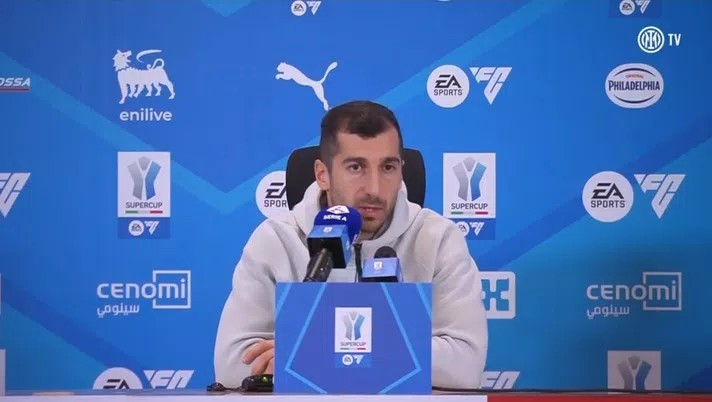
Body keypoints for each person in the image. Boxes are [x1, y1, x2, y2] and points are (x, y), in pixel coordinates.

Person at [214, 100, 488, 389]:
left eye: (388, 167)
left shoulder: (438, 238)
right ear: (322, 174)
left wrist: (314, 351)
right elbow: (231, 366)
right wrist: (388, 352)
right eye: (356, 167)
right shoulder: (276, 240)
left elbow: (465, 366)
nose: (374, 188)